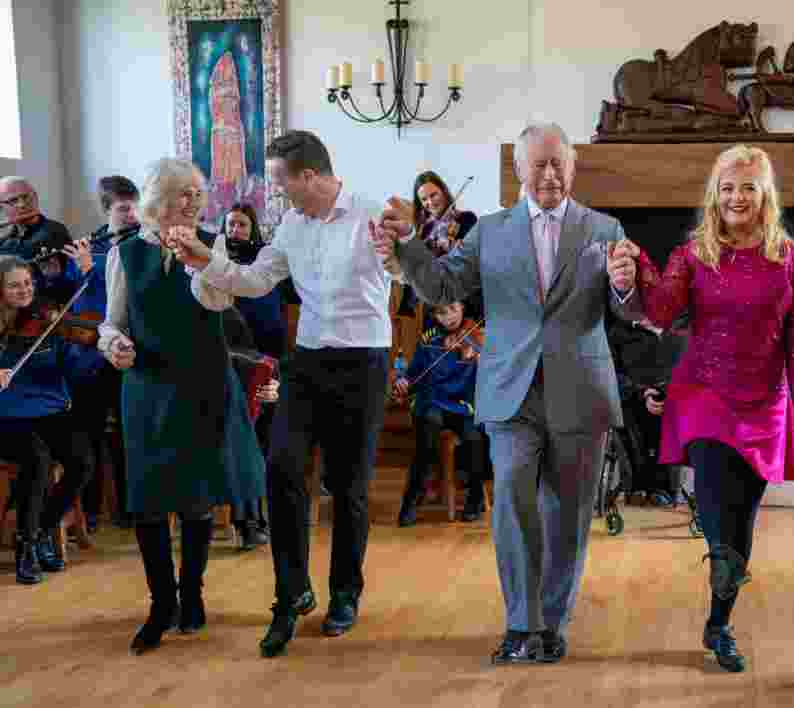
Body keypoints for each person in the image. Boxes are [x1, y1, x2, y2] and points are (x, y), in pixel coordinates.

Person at [372, 121, 644, 665]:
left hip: (581, 388)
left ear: (573, 167)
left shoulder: (605, 227)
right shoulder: (490, 231)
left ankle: (552, 621)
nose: (549, 173)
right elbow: (444, 285)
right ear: (518, 170)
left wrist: (625, 284)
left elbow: (629, 311)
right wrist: (405, 246)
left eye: (558, 163)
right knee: (513, 504)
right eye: (537, 164)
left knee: (568, 513)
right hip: (508, 389)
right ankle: (521, 623)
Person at [167, 130, 394, 658]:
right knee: (283, 468)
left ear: (308, 176)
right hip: (310, 359)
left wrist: (407, 244)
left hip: (364, 360)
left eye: (278, 181)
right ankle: (291, 595)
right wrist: (205, 259)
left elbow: (404, 268)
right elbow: (255, 280)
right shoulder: (292, 223)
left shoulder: (370, 212)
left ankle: (344, 594)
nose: (274, 193)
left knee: (349, 486)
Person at [633, 145, 794, 673]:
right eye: (728, 187)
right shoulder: (695, 253)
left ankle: (719, 623)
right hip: (705, 395)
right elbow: (663, 310)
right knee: (718, 512)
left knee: (743, 521)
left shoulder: (793, 259)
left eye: (748, 187)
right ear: (716, 195)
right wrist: (638, 267)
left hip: (765, 403)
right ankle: (718, 562)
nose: (738, 197)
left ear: (765, 196)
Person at [97, 158, 265, 654]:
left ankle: (192, 595)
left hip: (203, 381)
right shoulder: (125, 252)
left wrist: (197, 257)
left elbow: (217, 302)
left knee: (195, 499)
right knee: (149, 501)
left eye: (197, 192)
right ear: (155, 200)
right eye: (182, 193)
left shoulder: (211, 244)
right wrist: (114, 347)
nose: (193, 202)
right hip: (147, 385)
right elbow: (113, 322)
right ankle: (160, 603)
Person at [0, 256, 98, 584]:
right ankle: (26, 549)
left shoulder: (48, 321)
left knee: (82, 461)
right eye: (14, 285)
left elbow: (75, 369)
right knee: (37, 460)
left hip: (52, 409)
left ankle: (42, 530)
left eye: (28, 283)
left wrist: (93, 348)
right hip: (7, 416)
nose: (24, 290)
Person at [219, 202, 288, 549]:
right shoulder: (214, 274)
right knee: (241, 437)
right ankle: (248, 520)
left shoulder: (266, 262)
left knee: (263, 435)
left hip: (262, 365)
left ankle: (262, 516)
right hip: (223, 374)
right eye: (230, 224)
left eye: (242, 225)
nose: (235, 230)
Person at [75, 176, 142, 531]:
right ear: (107, 210)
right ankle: (91, 510)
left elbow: (125, 302)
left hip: (129, 352)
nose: (133, 214)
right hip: (93, 356)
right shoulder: (94, 247)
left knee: (126, 433)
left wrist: (92, 271)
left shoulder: (143, 243)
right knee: (91, 430)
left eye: (135, 206)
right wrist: (82, 269)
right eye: (123, 209)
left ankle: (129, 507)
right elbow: (88, 309)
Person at [392, 300, 487, 526]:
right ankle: (413, 499)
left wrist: (480, 359)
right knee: (429, 428)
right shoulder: (429, 339)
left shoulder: (475, 337)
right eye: (442, 313)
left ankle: (475, 499)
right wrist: (404, 381)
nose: (450, 317)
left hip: (462, 405)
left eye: (454, 309)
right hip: (433, 400)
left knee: (475, 438)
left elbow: (491, 375)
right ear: (434, 315)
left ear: (463, 307)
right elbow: (413, 373)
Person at [605, 314, 688, 506]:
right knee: (627, 411)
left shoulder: (683, 331)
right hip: (631, 400)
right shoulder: (618, 332)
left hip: (674, 400)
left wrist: (666, 393)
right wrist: (642, 393)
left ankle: (665, 487)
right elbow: (610, 373)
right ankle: (636, 485)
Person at [397, 171, 481, 322]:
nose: (430, 202)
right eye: (424, 199)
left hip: (461, 298)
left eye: (433, 195)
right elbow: (421, 268)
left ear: (443, 191)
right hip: (436, 304)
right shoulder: (425, 229)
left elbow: (472, 258)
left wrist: (451, 246)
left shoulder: (467, 219)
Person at [0, 177, 88, 304]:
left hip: (44, 309)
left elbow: (22, 255)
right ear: (2, 207)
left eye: (26, 197)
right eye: (13, 200)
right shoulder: (7, 238)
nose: (22, 204)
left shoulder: (53, 231)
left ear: (35, 197)